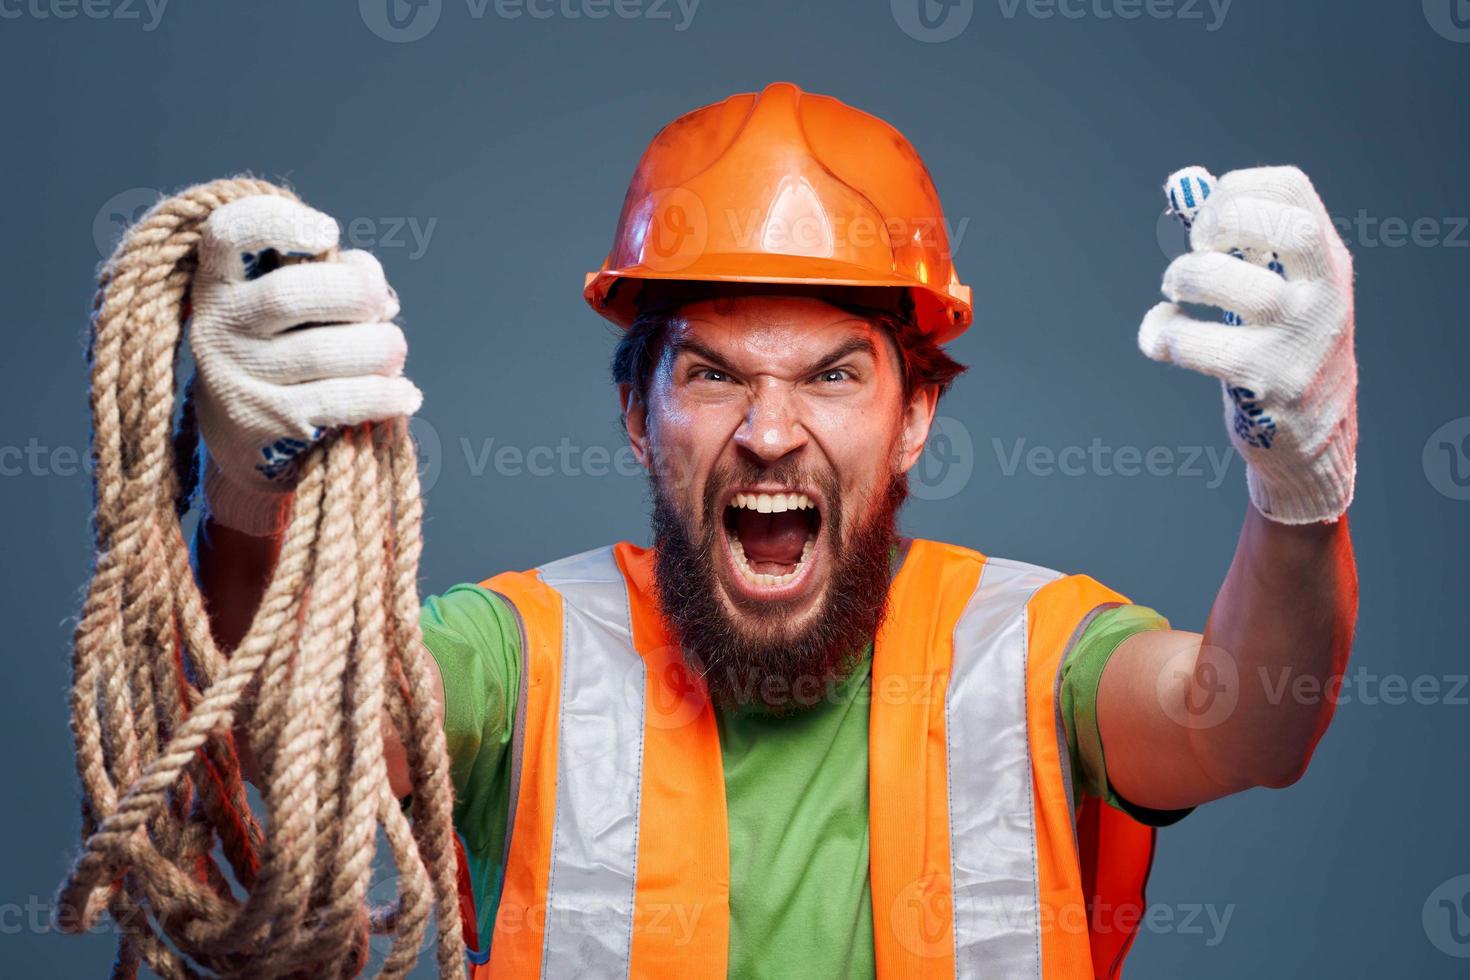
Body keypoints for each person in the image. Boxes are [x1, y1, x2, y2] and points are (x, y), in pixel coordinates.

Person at [191, 83, 1359, 978]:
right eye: (710, 373)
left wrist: (1300, 483)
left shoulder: (1035, 647)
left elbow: (1253, 725)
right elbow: (276, 761)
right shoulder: (519, 650)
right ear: (637, 417)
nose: (768, 430)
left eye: (834, 376)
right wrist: (250, 501)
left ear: (916, 417)